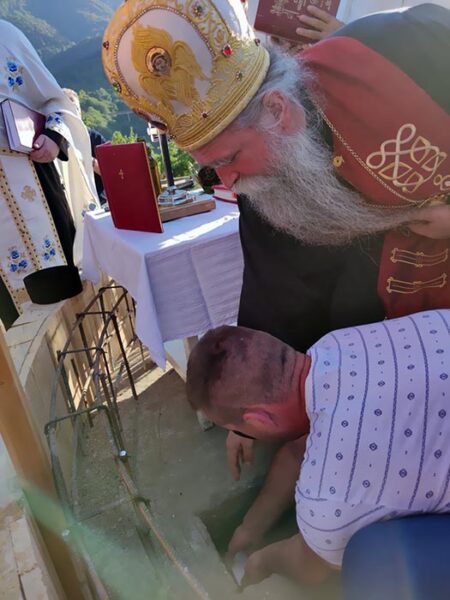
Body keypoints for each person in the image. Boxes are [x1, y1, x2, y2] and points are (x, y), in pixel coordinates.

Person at [103, 2, 450, 474]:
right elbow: (279, 295)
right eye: (214, 169)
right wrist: (242, 417)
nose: (228, 182)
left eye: (230, 158)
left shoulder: (409, 46)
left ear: (277, 111)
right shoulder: (265, 186)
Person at [186, 310, 450, 586]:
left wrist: (263, 561)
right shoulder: (338, 343)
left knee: (367, 562)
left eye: (240, 429)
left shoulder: (328, 497)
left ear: (259, 420)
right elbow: (298, 450)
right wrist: (250, 527)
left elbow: (309, 565)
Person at [0, 21, 98, 329]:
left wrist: (54, 138)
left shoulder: (6, 37)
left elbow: (56, 101)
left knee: (66, 318)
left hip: (33, 195)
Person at [63, 88, 108, 206]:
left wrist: (89, 160)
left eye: (76, 109)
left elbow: (111, 172)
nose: (73, 113)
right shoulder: (55, 141)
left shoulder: (95, 137)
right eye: (68, 110)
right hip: (70, 203)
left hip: (98, 202)